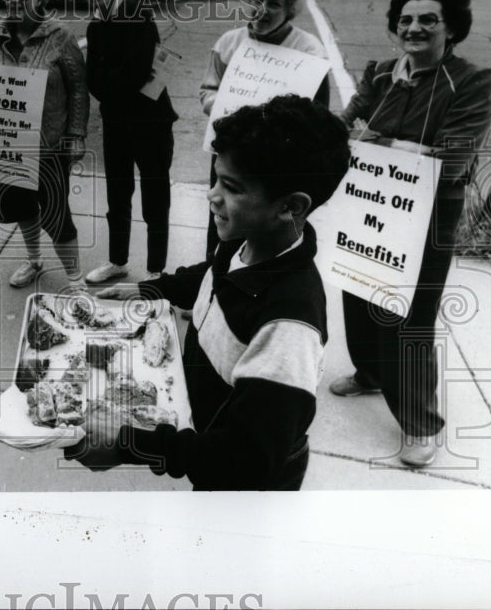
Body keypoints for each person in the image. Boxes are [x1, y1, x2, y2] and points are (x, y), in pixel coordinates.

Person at [71, 95, 351, 490]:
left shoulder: (288, 327)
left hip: (240, 487)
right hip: (206, 428)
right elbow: (214, 275)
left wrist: (126, 446)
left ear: (290, 206)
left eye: (232, 187)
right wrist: (149, 290)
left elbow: (247, 457)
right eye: (214, 178)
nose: (212, 195)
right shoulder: (246, 241)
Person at [330, 0, 491, 469]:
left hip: (429, 217)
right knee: (358, 293)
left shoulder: (471, 82)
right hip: (369, 206)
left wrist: (372, 139)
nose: (414, 27)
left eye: (428, 19)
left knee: (410, 318)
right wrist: (375, 139)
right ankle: (369, 375)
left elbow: (452, 157)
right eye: (405, 19)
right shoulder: (380, 73)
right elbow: (343, 127)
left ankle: (421, 424)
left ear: (452, 29)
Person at [199, 0, 331, 259]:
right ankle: (213, 286)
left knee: (266, 232)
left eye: (273, 4)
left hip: (276, 162)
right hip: (230, 154)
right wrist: (226, 108)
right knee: (222, 224)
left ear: (290, 10)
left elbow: (318, 113)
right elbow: (207, 90)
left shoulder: (309, 50)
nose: (262, 10)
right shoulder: (228, 42)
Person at [0, 0, 89, 288]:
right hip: (9, 144)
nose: (13, 1)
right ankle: (34, 261)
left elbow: (79, 89)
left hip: (50, 145)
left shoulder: (60, 37)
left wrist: (76, 134)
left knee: (57, 215)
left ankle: (75, 279)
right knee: (21, 206)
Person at [79, 0, 178, 285]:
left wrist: (110, 84)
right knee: (117, 195)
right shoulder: (95, 26)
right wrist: (111, 84)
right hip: (116, 122)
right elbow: (91, 78)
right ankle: (117, 260)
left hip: (152, 122)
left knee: (155, 196)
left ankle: (155, 269)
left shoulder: (138, 13)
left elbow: (137, 72)